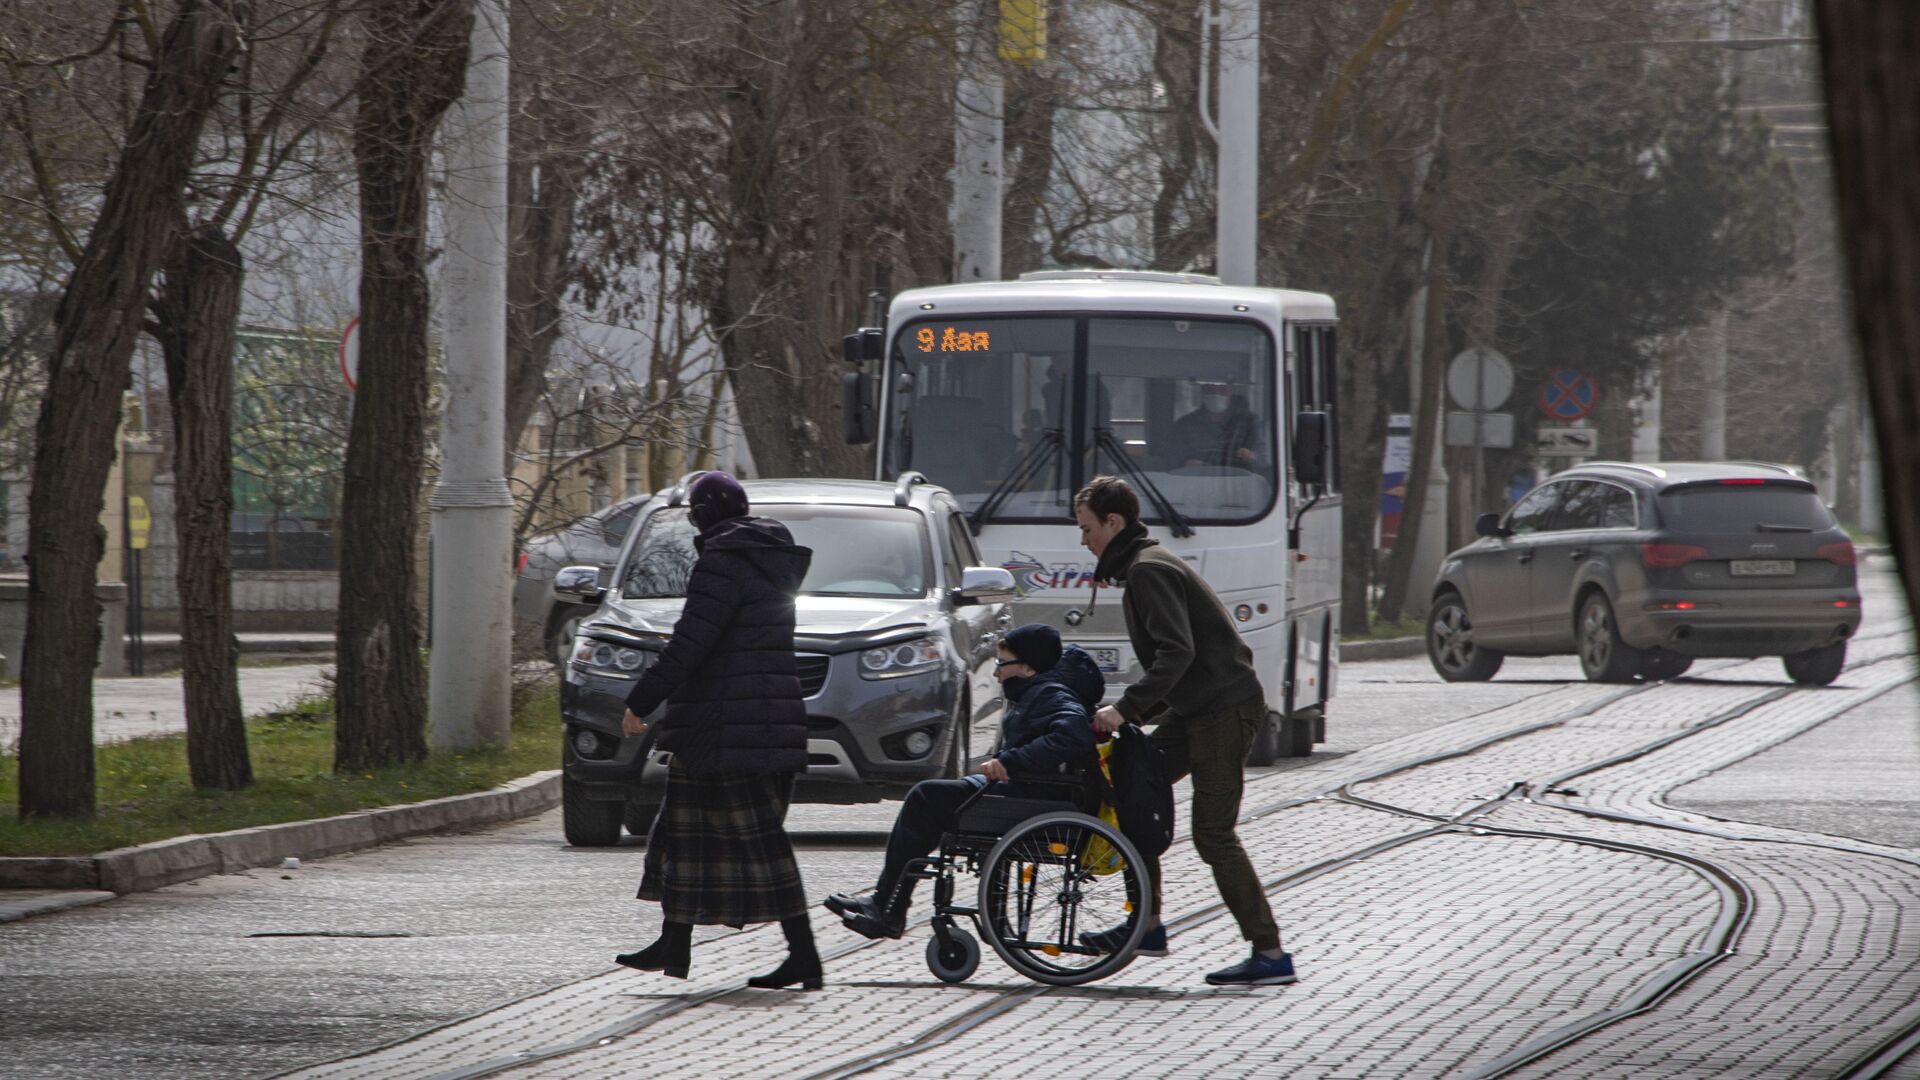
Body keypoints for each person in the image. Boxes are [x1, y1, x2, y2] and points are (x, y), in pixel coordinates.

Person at [1072, 475, 1297, 986]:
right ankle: (1146, 926)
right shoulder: (1142, 566)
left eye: (1087, 529)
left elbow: (1178, 652)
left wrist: (1124, 711)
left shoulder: (1149, 570)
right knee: (1132, 795)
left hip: (1225, 710)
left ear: (1115, 522)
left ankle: (1270, 953)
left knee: (1213, 834)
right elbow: (1180, 663)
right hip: (1196, 710)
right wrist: (1135, 715)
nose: (1083, 541)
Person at [614, 471, 823, 991]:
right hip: (746, 721)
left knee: (761, 846)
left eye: (692, 513)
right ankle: (674, 944)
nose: (690, 521)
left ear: (703, 516)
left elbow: (691, 642)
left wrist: (641, 699)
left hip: (728, 727)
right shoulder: (767, 557)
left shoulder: (724, 562)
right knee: (681, 834)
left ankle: (806, 956)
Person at [826, 623, 1103, 939]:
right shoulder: (1039, 691)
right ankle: (887, 903)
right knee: (933, 801)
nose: (997, 674)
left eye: (1002, 664)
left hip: (1030, 799)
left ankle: (888, 906)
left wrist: (1010, 760)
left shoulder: (1050, 694)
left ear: (1027, 668)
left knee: (926, 796)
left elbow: (1072, 738)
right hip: (1027, 792)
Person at [1172, 382, 1258, 468]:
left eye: (1222, 390)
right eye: (1210, 390)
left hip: (1238, 480)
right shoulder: (1184, 425)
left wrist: (1252, 457)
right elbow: (1172, 460)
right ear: (1203, 393)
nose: (1216, 395)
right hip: (1196, 479)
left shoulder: (1247, 422)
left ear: (1230, 392)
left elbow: (1262, 458)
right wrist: (1184, 465)